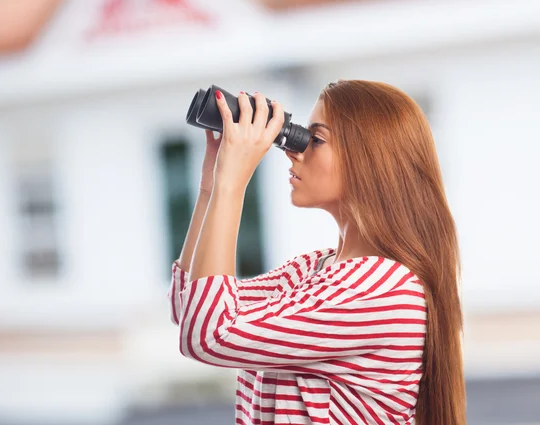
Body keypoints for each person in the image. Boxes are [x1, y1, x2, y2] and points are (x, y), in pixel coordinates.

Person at [167, 81, 466, 425]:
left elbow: (209, 336)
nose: (293, 150)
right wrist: (211, 187)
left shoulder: (383, 291)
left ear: (370, 160)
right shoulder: (312, 270)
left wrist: (231, 185)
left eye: (316, 139)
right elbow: (190, 307)